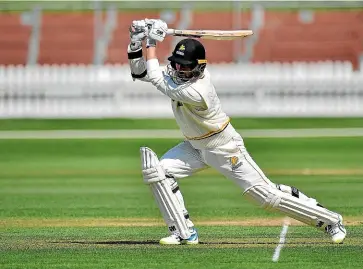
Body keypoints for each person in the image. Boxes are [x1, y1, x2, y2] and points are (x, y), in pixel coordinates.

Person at [127, 18, 346, 245]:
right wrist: (135, 42)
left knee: (265, 196)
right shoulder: (177, 75)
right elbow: (141, 73)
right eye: (177, 64)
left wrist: (151, 42)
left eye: (186, 66)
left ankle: (331, 221)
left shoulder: (199, 90)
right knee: (158, 172)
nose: (180, 70)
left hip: (223, 147)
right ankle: (183, 233)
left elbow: (154, 77)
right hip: (194, 147)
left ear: (200, 66)